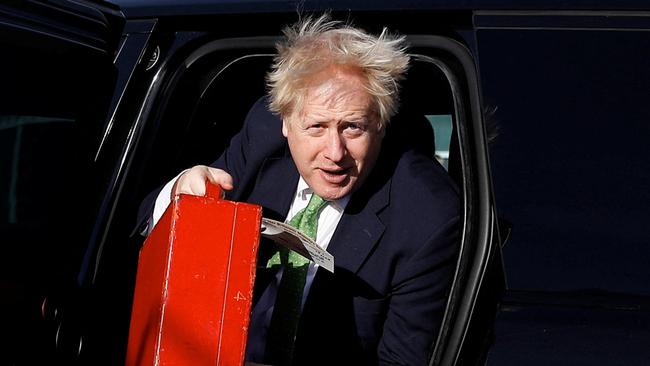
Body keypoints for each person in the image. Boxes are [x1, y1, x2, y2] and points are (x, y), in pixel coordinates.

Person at [138, 14, 460, 366]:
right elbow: (139, 230)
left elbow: (402, 361)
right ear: (285, 123)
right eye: (316, 126)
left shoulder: (427, 215)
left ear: (380, 125)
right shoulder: (262, 138)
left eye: (353, 127)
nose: (334, 153)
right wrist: (179, 197)